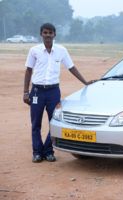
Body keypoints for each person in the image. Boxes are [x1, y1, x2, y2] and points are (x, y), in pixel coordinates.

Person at [23, 23, 95, 163]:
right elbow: (28, 70)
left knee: (54, 122)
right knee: (35, 123)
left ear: (54, 34)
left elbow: (71, 67)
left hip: (53, 92)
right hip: (37, 91)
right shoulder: (34, 50)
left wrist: (85, 82)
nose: (48, 35)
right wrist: (26, 92)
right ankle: (37, 153)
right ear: (41, 34)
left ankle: (48, 151)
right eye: (45, 32)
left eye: (50, 33)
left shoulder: (61, 50)